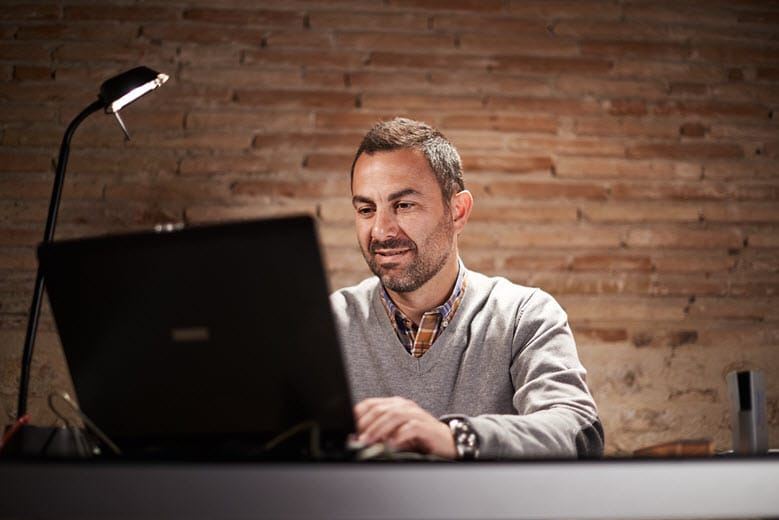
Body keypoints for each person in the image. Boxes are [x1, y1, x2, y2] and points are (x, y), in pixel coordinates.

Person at [329, 117, 603, 460]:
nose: (381, 230)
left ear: (457, 211)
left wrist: (456, 437)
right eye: (366, 209)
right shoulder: (326, 324)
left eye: (403, 205)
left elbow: (579, 430)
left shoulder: (524, 314)